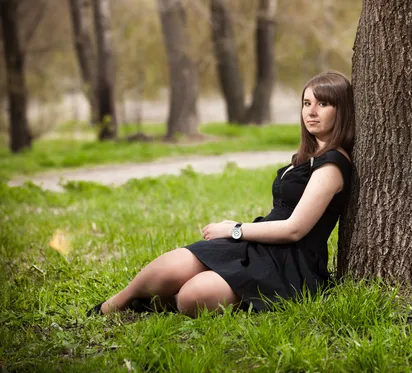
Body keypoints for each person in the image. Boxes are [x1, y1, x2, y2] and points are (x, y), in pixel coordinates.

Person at [88, 71, 355, 318]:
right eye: (307, 103)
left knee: (193, 297)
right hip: (262, 243)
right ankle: (115, 304)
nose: (311, 112)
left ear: (340, 110)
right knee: (176, 264)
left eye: (323, 104)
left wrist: (234, 229)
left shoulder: (331, 165)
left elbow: (294, 230)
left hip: (291, 263)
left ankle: (163, 301)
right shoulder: (307, 156)